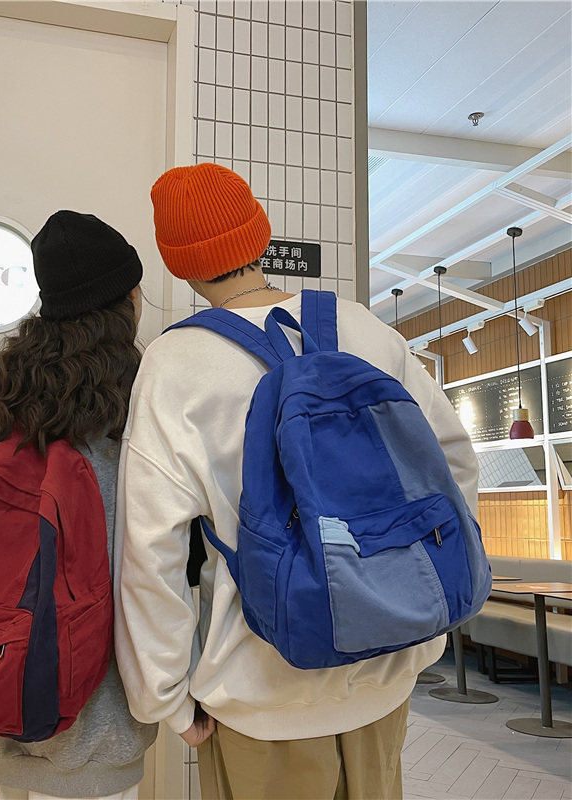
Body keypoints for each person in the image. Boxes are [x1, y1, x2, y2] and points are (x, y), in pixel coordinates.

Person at [113, 163, 478, 800]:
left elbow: (151, 549)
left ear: (178, 263)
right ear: (260, 234)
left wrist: (164, 697)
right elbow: (453, 466)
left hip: (260, 689)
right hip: (388, 669)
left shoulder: (175, 364)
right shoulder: (363, 327)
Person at [0, 210, 157, 800]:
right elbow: (162, 570)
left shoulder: (9, 395)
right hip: (85, 748)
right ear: (127, 300)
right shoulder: (135, 413)